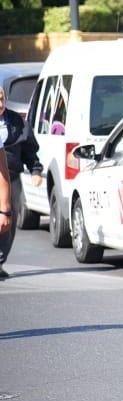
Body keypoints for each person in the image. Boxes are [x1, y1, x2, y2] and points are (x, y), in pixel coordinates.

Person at [0, 87, 43, 279]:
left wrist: (35, 170)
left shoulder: (17, 122)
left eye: (2, 99)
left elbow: (29, 149)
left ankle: (0, 260)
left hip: (12, 176)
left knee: (8, 219)